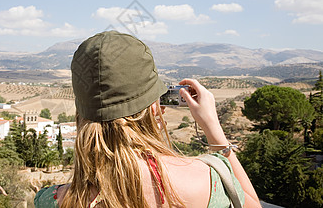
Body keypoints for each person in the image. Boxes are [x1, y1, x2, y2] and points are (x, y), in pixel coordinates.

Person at [35, 31, 261, 208]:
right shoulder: (208, 179)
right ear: (155, 106)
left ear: (81, 111)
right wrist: (213, 127)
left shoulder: (53, 200)